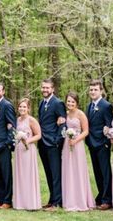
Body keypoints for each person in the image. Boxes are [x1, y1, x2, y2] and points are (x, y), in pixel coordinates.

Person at [61, 92, 95, 211]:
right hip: (67, 144)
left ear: (77, 103)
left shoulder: (81, 114)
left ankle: (81, 200)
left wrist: (76, 140)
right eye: (68, 101)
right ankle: (70, 199)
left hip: (78, 144)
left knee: (78, 170)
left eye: (72, 101)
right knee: (68, 169)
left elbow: (86, 131)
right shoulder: (65, 114)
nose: (70, 103)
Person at [37, 79, 66, 210]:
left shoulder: (58, 103)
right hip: (42, 143)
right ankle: (52, 199)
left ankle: (57, 202)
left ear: (52, 89)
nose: (44, 90)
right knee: (48, 173)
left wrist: (57, 141)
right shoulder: (41, 103)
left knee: (55, 174)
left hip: (53, 144)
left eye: (47, 88)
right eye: (43, 87)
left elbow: (63, 124)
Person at [85, 79, 113, 210]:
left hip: (102, 144)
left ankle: (108, 200)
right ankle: (101, 195)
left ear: (101, 90)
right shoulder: (88, 106)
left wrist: (107, 143)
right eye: (91, 89)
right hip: (91, 143)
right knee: (97, 172)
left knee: (105, 172)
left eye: (95, 89)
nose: (93, 92)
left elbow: (109, 125)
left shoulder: (106, 106)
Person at [13, 98, 42, 210]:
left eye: (24, 107)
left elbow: (38, 135)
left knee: (28, 174)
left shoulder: (31, 120)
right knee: (20, 175)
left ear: (28, 108)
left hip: (29, 149)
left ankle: (31, 202)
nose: (22, 108)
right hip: (19, 149)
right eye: (20, 106)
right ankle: (20, 202)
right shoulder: (17, 120)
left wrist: (27, 141)